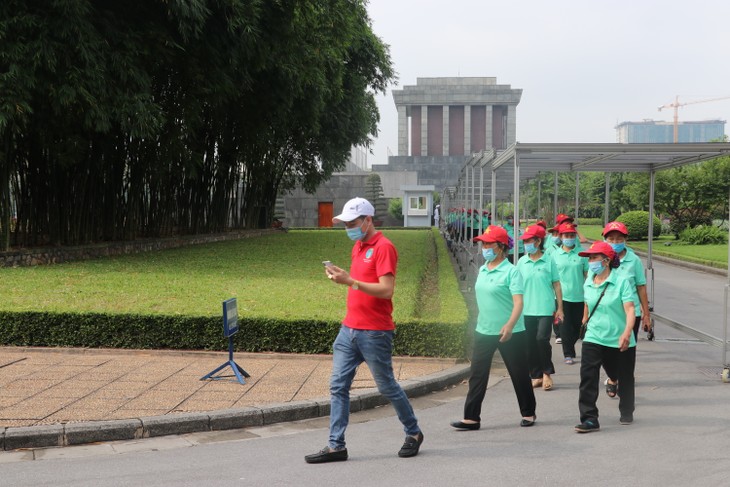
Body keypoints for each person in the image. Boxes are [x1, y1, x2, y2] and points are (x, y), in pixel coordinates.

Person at [305, 197, 423, 464]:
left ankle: (413, 432)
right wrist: (344, 277)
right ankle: (336, 446)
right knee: (338, 386)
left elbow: (386, 289)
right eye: (345, 223)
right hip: (349, 329)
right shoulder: (358, 246)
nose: (348, 227)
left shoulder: (384, 247)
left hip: (375, 332)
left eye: (352, 222)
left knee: (387, 386)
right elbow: (359, 281)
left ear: (368, 220)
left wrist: (351, 282)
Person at [450, 225, 537, 431]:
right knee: (477, 373)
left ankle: (528, 412)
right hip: (484, 329)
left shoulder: (511, 272)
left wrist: (510, 325)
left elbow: (518, 303)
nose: (484, 247)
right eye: (483, 243)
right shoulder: (482, 268)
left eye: (488, 243)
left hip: (511, 331)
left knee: (518, 373)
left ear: (500, 247)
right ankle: (471, 417)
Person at [574, 241, 637, 433]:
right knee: (587, 376)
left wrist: (627, 333)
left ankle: (626, 409)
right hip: (594, 336)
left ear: (607, 260)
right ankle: (589, 418)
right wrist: (585, 319)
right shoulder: (589, 280)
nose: (591, 261)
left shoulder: (621, 281)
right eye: (590, 258)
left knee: (623, 375)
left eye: (594, 257)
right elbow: (587, 301)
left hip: (619, 338)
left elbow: (630, 309)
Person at [600, 221, 652, 398]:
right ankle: (613, 377)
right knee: (607, 350)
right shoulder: (600, 259)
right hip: (608, 312)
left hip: (631, 312)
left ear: (625, 240)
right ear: (605, 239)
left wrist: (646, 314)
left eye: (619, 238)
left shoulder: (634, 260)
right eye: (611, 238)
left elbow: (641, 287)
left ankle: (625, 381)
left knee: (627, 350)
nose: (615, 241)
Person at [516, 225, 564, 391]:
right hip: (526, 309)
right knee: (529, 343)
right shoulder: (522, 262)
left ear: (538, 241)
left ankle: (546, 373)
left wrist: (560, 308)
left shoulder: (548, 260)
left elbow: (557, 285)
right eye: (525, 241)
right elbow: (516, 287)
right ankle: (535, 375)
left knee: (542, 340)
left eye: (529, 240)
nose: (526, 244)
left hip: (545, 308)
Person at [552, 222, 588, 365]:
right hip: (562, 297)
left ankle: (571, 345)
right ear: (561, 237)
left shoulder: (582, 254)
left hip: (579, 295)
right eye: (566, 235)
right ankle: (568, 353)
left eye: (572, 235)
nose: (569, 238)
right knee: (565, 327)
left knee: (579, 327)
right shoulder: (554, 255)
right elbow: (552, 278)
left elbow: (587, 274)